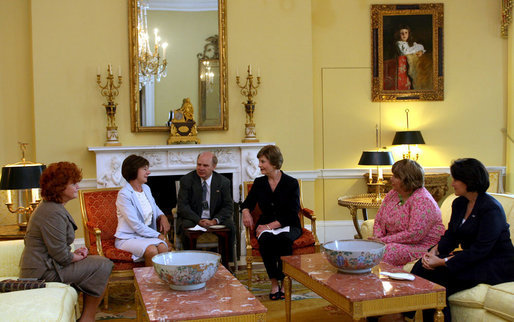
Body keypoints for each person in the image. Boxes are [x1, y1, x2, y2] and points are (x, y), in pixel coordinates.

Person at [410, 158, 514, 321]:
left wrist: (442, 262)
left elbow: (481, 250)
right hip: (472, 258)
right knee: (421, 267)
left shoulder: (491, 208)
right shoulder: (459, 203)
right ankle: (402, 315)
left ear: (469, 181)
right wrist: (433, 252)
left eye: (456, 179)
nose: (452, 184)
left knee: (438, 278)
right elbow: (452, 235)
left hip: (495, 263)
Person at [20, 162, 113, 322]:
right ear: (59, 187)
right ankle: (87, 318)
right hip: (40, 273)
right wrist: (78, 257)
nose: (78, 186)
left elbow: (57, 249)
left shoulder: (53, 207)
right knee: (103, 264)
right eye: (73, 183)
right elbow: (61, 256)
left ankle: (86, 317)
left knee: (98, 263)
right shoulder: (52, 212)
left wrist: (75, 254)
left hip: (48, 266)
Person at [241, 145, 301, 301]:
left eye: (262, 161)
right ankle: (274, 282)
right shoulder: (259, 183)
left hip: (288, 224)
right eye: (259, 161)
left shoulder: (291, 183)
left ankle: (284, 282)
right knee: (266, 241)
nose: (259, 165)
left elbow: (292, 212)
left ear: (274, 163)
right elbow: (247, 203)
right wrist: (246, 212)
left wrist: (268, 227)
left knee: (284, 241)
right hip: (265, 224)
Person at [370, 159, 445, 266]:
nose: (391, 179)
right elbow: (379, 220)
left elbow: (414, 234)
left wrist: (384, 241)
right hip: (391, 242)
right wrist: (377, 237)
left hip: (420, 245)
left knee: (384, 251)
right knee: (368, 248)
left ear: (407, 180)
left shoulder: (423, 200)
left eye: (395, 176)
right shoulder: (393, 193)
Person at [115, 155, 171, 266]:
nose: (148, 172)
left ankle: (163, 282)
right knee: (151, 250)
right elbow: (136, 225)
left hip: (145, 236)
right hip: (128, 238)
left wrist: (163, 216)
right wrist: (158, 235)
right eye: (145, 169)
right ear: (134, 170)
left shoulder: (146, 188)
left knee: (162, 247)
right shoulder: (124, 194)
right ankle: (149, 283)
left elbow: (154, 207)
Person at [176, 151, 235, 255]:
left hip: (214, 218)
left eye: (205, 165)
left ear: (214, 167)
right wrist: (198, 220)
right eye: (199, 164)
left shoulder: (223, 182)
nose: (201, 168)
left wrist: (215, 221)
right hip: (194, 218)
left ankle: (226, 263)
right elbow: (182, 206)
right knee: (185, 226)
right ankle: (191, 261)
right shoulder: (186, 180)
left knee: (230, 226)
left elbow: (228, 206)